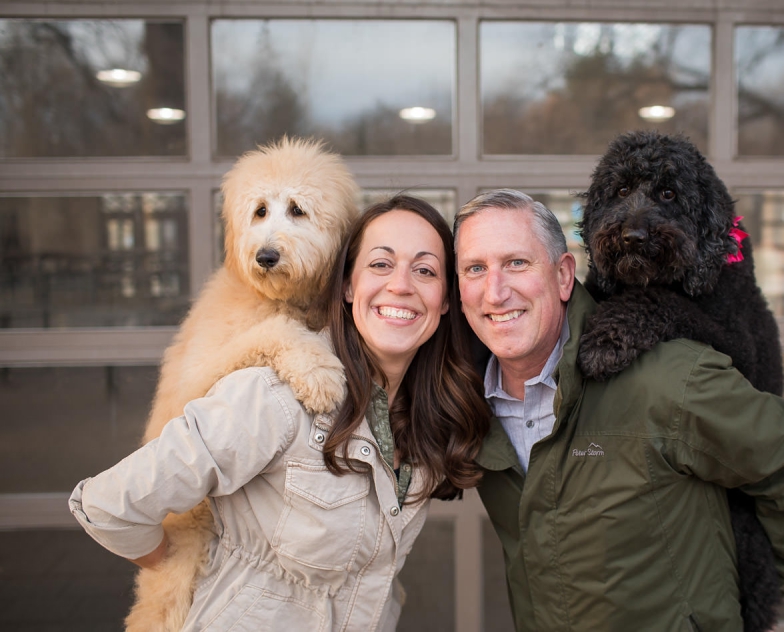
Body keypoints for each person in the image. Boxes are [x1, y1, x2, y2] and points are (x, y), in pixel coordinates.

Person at [69, 195, 491, 631]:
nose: (401, 285)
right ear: (347, 286)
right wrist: (202, 571)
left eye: (424, 270)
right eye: (380, 265)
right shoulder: (275, 397)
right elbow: (110, 507)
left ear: (444, 300)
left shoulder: (421, 418)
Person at [453, 188, 784, 632]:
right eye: (475, 269)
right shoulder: (468, 404)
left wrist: (746, 590)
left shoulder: (667, 379)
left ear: (563, 276)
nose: (495, 292)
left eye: (517, 263)